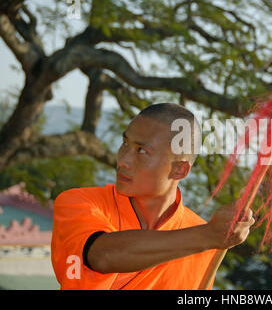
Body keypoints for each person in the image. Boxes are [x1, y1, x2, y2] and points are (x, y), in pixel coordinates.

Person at [51, 103, 255, 290]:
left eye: (141, 151)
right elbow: (102, 256)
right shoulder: (79, 202)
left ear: (179, 170)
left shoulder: (204, 245)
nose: (123, 160)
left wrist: (210, 238)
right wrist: (208, 236)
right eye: (125, 143)